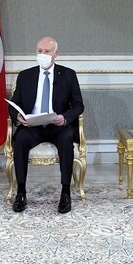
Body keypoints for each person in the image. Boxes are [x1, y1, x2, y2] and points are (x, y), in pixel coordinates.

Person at [8, 36, 84, 214]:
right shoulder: (25, 76)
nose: (42, 54)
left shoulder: (68, 75)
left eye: (47, 51)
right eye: (39, 51)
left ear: (56, 54)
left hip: (58, 126)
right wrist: (18, 116)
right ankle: (21, 193)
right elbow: (13, 104)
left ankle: (65, 193)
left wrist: (64, 118)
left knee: (66, 139)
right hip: (32, 126)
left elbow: (78, 105)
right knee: (20, 140)